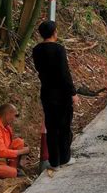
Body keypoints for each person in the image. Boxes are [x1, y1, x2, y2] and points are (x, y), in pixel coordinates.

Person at [33, 21, 80, 169]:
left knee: (51, 127)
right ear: (54, 32)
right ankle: (64, 158)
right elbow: (64, 73)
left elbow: (39, 70)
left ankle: (54, 162)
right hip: (62, 94)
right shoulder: (59, 49)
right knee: (64, 127)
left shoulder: (36, 50)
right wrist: (73, 92)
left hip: (47, 92)